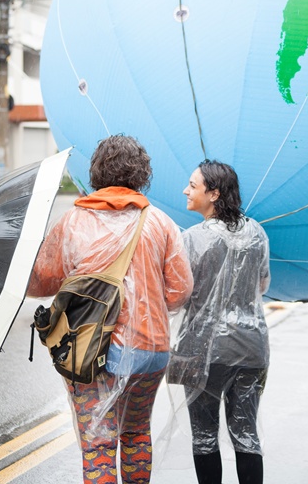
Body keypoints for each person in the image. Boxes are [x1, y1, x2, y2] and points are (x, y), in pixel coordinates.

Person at [28, 135, 193, 484]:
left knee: (99, 441)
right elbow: (180, 292)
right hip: (150, 350)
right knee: (136, 431)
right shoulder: (160, 222)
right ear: (141, 174)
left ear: (96, 172)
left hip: (91, 351)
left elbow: (40, 283)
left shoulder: (73, 222)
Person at [171, 159, 270, 484]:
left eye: (192, 185)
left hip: (204, 351)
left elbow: (180, 294)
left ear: (213, 194)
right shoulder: (256, 233)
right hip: (251, 347)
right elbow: (261, 285)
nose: (186, 191)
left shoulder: (191, 239)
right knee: (246, 432)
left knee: (204, 435)